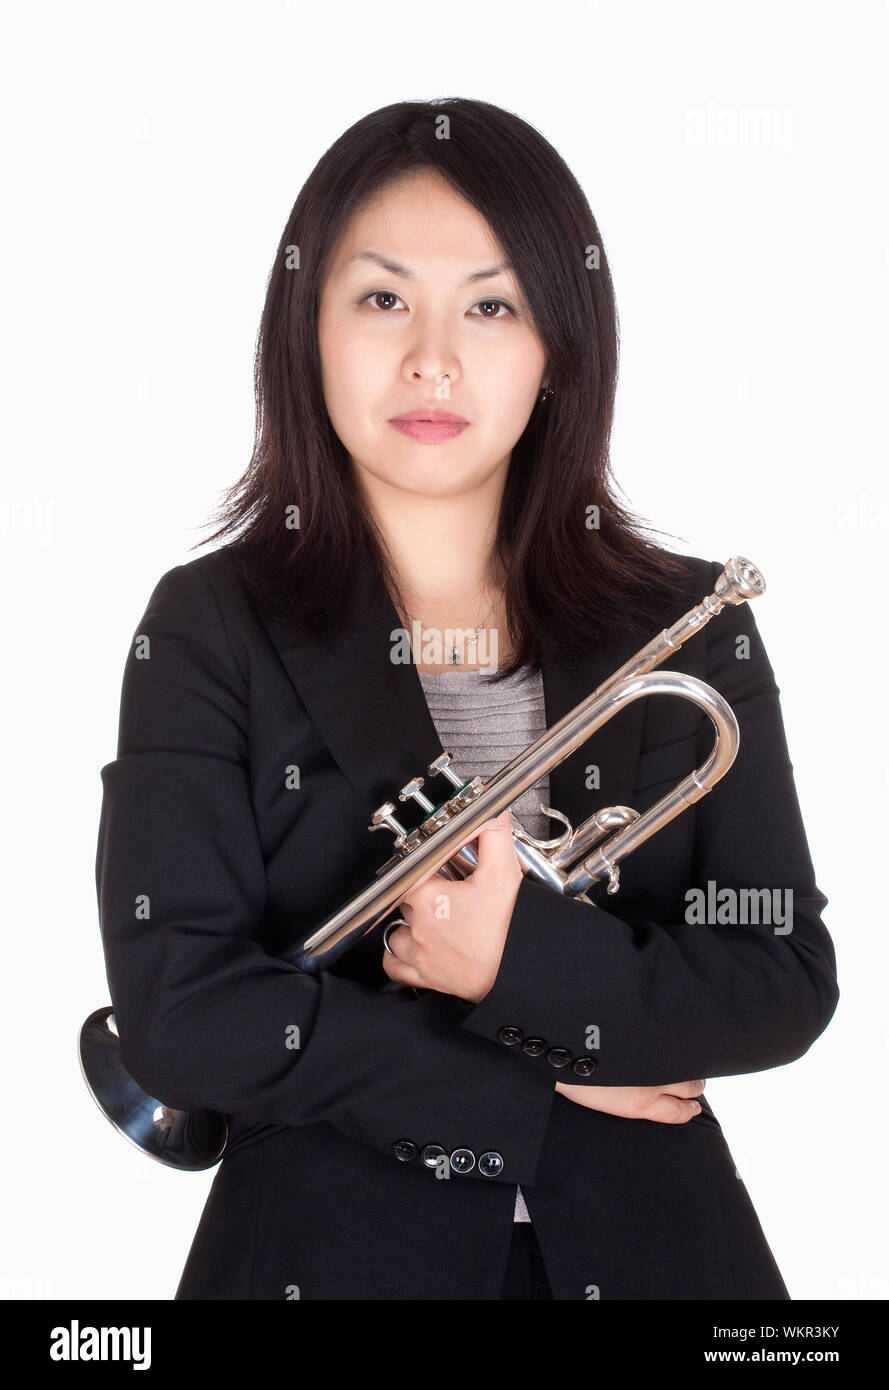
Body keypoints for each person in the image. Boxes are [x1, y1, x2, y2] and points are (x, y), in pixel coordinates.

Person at [94, 98, 839, 1300]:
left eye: (491, 305)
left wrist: (513, 955)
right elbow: (182, 1015)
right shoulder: (205, 625)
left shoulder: (691, 621)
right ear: (308, 330)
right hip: (318, 1262)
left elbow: (781, 979)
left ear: (558, 347)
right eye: (382, 298)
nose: (433, 357)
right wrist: (536, 1054)